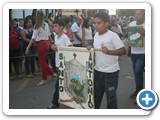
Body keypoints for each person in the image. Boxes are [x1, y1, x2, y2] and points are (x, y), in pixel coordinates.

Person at [87, 13, 126, 109]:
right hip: (97, 71)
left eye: (99, 23)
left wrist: (109, 52)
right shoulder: (95, 34)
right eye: (94, 23)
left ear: (107, 23)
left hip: (110, 73)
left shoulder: (113, 36)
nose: (96, 25)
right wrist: (91, 47)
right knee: (95, 97)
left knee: (111, 99)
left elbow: (123, 51)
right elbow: (96, 48)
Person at [25, 10, 57, 86]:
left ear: (37, 16)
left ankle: (44, 79)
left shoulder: (37, 25)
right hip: (47, 44)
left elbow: (33, 38)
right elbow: (49, 36)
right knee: (43, 61)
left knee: (42, 62)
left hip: (41, 44)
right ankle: (52, 73)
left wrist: (27, 48)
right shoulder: (46, 24)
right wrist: (52, 43)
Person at [47, 18, 72, 109]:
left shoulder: (65, 37)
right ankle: (70, 101)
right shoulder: (56, 37)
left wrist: (58, 48)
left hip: (64, 65)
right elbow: (55, 46)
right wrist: (53, 46)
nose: (54, 28)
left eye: (56, 26)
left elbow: (71, 48)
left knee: (58, 85)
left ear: (61, 27)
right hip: (58, 64)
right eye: (53, 26)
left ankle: (55, 103)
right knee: (63, 84)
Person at [128, 9, 145, 99]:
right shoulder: (132, 24)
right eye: (136, 14)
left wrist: (143, 31)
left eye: (140, 14)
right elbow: (130, 36)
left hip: (143, 53)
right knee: (136, 73)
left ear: (144, 16)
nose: (137, 16)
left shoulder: (147, 24)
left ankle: (140, 94)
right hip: (134, 52)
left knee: (138, 72)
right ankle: (138, 90)